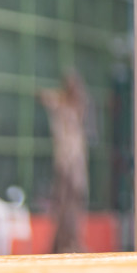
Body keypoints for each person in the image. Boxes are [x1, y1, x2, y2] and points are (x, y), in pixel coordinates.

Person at [39, 71, 89, 254]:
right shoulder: (61, 107)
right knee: (63, 205)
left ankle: (72, 241)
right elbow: (44, 96)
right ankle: (61, 244)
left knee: (75, 205)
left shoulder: (76, 111)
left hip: (75, 164)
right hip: (65, 164)